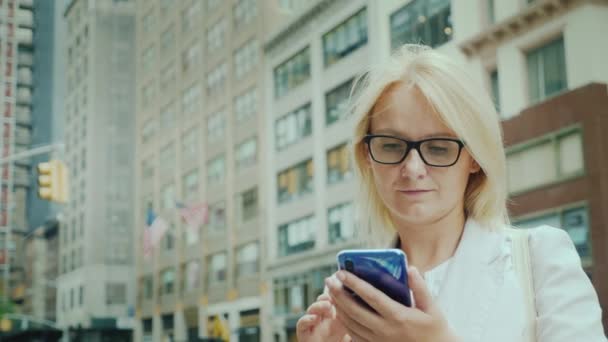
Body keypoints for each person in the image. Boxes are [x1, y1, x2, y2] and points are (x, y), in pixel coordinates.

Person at [296, 45, 606, 342]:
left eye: (439, 147)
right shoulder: (352, 297)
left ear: (474, 157)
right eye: (391, 145)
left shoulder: (543, 259)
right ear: (367, 155)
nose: (413, 167)